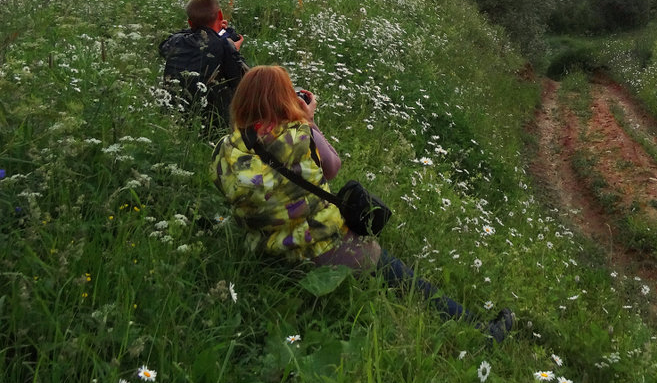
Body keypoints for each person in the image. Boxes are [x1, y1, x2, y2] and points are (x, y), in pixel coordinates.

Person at [210, 65, 513, 343]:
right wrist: (309, 120)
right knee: (399, 273)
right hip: (320, 249)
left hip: (266, 254)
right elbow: (332, 168)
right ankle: (480, 332)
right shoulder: (300, 135)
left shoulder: (226, 149)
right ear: (285, 99)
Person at [159, 0, 249, 133]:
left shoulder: (176, 41)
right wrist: (233, 49)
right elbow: (244, 82)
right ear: (220, 15)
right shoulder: (223, 46)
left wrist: (223, 34)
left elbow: (170, 42)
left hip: (173, 114)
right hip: (210, 121)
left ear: (190, 23)